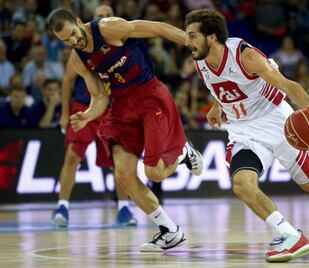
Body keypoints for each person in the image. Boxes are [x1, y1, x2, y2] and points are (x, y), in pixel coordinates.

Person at [184, 9, 309, 263]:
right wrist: (216, 105)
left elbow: (287, 85)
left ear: (211, 37)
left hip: (276, 120)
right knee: (242, 185)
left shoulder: (246, 56)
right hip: (242, 130)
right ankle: (290, 235)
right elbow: (218, 83)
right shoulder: (199, 59)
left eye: (192, 35)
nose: (187, 41)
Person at [47, 8, 203, 251]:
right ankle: (169, 231)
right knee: (123, 174)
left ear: (79, 22)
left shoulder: (108, 28)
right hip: (121, 105)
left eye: (73, 34)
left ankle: (184, 153)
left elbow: (158, 28)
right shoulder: (78, 59)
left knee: (154, 173)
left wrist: (191, 43)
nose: (73, 41)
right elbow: (99, 97)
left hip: (149, 95)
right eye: (65, 40)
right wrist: (87, 116)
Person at [51, 5, 138, 228]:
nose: (104, 19)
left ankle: (124, 209)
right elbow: (68, 81)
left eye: (108, 15)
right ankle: (62, 206)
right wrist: (64, 113)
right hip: (85, 105)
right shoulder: (80, 48)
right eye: (100, 16)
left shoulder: (119, 41)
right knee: (72, 157)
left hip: (114, 107)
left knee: (120, 161)